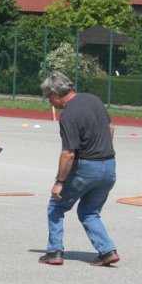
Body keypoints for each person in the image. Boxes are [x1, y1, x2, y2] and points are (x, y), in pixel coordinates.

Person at [38, 71, 119, 267]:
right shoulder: (94, 99)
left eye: (48, 97)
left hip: (86, 167)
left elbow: (68, 154)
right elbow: (111, 129)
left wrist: (59, 182)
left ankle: (54, 251)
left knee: (56, 206)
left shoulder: (68, 115)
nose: (49, 102)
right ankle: (107, 250)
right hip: (109, 165)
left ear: (56, 94)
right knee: (89, 212)